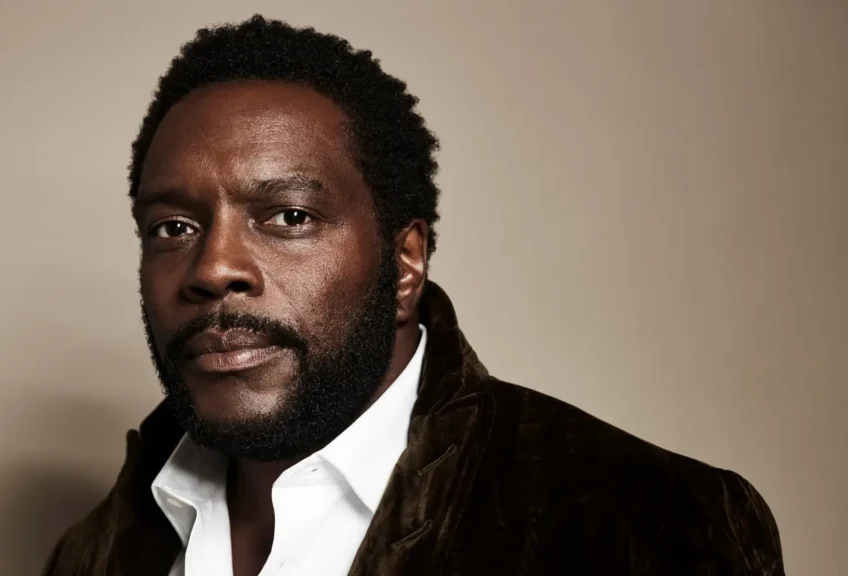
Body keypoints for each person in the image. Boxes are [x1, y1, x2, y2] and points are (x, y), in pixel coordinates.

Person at [43, 15, 784, 576]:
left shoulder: (650, 525)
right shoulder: (96, 550)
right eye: (172, 227)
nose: (213, 268)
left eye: (289, 217)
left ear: (405, 265)